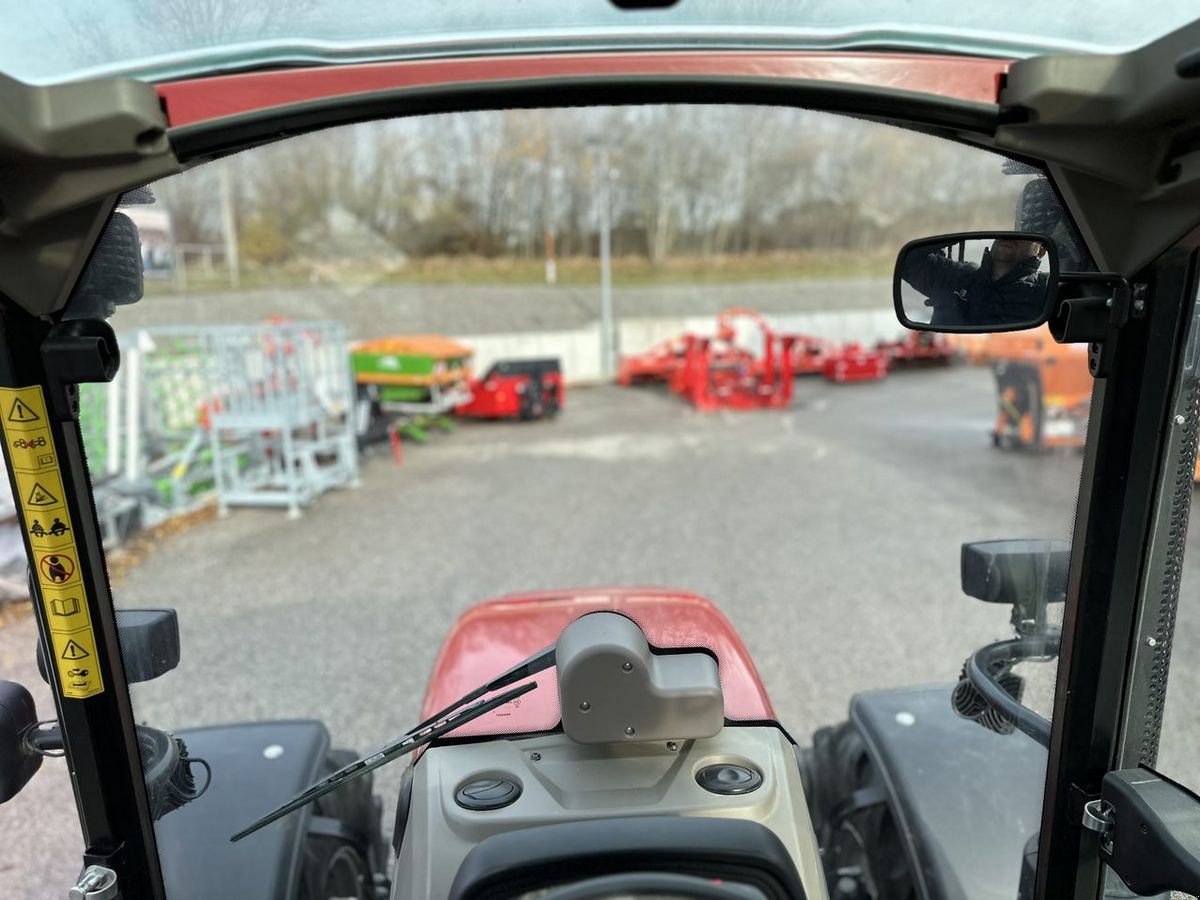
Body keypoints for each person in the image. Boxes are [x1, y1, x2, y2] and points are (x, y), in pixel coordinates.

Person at [900, 238, 1049, 328]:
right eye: (1004, 234)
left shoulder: (1047, 288)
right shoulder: (956, 276)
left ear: (1041, 250)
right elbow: (907, 262)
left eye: (1022, 235)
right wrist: (951, 236)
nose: (1010, 238)